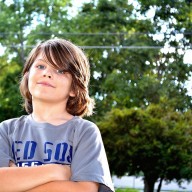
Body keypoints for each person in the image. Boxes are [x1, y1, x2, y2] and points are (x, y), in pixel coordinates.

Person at [0, 38, 114, 192]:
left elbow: (84, 190)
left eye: (60, 70)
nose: (47, 73)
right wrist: (57, 171)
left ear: (74, 88)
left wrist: (18, 183)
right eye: (41, 66)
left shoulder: (84, 132)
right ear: (27, 76)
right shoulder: (6, 130)